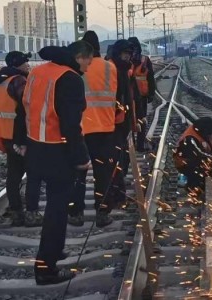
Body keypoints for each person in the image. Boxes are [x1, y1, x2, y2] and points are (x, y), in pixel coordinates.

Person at [23, 41, 93, 285]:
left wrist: (23, 142)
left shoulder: (38, 71)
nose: (89, 66)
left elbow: (27, 107)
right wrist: (81, 158)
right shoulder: (70, 79)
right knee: (56, 210)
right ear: (79, 57)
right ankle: (46, 269)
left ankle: (56, 250)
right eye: (88, 60)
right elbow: (70, 126)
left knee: (57, 207)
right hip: (57, 151)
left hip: (36, 147)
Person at [68, 31, 117, 227]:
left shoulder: (74, 69)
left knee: (77, 173)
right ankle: (103, 212)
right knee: (103, 173)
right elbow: (119, 95)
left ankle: (76, 213)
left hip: (80, 129)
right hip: (104, 127)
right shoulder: (109, 67)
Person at [0, 51, 43, 226]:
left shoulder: (1, 81)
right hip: (21, 135)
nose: (28, 65)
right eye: (25, 62)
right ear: (17, 64)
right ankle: (31, 213)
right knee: (33, 174)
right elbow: (28, 106)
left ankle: (16, 211)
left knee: (13, 174)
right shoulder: (18, 81)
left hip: (4, 134)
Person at [108, 39, 136, 203]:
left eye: (129, 54)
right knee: (115, 158)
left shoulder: (124, 69)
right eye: (125, 54)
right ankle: (116, 194)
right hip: (112, 123)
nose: (128, 57)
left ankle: (118, 191)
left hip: (121, 121)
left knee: (121, 156)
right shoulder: (112, 68)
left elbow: (129, 95)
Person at [173, 117, 212, 195]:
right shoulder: (190, 138)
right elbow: (199, 156)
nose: (211, 135)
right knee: (204, 166)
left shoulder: (204, 131)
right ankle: (193, 187)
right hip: (186, 164)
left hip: (198, 160)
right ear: (204, 131)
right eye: (210, 133)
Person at [128, 37, 156, 152]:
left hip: (136, 96)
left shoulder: (140, 60)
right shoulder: (143, 59)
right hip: (137, 95)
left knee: (135, 120)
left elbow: (150, 78)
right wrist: (151, 94)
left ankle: (136, 145)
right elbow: (151, 78)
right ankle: (138, 145)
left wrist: (151, 93)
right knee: (140, 120)